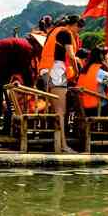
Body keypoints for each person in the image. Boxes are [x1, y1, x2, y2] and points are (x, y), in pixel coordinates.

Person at [0, 34, 45, 135]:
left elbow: (17, 69)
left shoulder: (25, 47)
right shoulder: (27, 49)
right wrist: (33, 87)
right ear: (37, 45)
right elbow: (25, 71)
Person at [37, 14, 84, 153]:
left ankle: (56, 143)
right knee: (60, 111)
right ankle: (63, 146)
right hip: (56, 70)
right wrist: (77, 72)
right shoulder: (65, 32)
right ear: (73, 24)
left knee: (55, 109)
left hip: (46, 70)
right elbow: (71, 55)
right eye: (78, 28)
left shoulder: (54, 31)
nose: (78, 31)